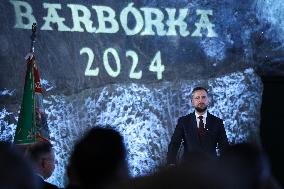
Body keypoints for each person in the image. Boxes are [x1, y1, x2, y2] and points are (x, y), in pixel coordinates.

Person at [167, 86, 229, 165]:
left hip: (212, 169)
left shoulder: (217, 122)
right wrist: (171, 162)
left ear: (208, 100)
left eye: (203, 97)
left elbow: (224, 146)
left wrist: (227, 164)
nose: (201, 100)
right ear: (192, 102)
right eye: (197, 98)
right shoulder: (183, 121)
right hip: (188, 168)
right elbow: (174, 144)